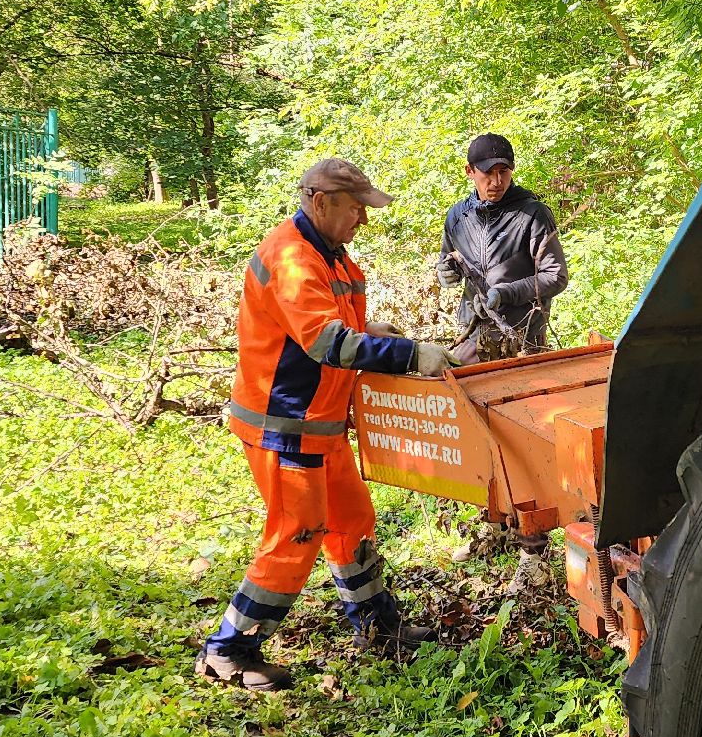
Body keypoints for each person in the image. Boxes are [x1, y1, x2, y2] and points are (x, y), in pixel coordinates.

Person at [198, 157, 461, 691]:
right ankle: (230, 650)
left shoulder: (331, 255)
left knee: (353, 521)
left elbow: (337, 325)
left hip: (320, 423)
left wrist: (375, 330)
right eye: (356, 207)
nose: (363, 218)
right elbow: (324, 342)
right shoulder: (293, 258)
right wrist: (410, 355)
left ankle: (375, 624)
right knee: (296, 536)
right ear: (320, 202)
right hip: (285, 425)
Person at [435, 134, 569, 361]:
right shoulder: (458, 217)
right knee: (450, 385)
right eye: (488, 173)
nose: (497, 182)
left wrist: (504, 293)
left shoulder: (532, 214)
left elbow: (556, 276)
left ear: (512, 169)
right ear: (470, 171)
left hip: (524, 337)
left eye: (503, 172)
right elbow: (449, 262)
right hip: (476, 334)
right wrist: (445, 274)